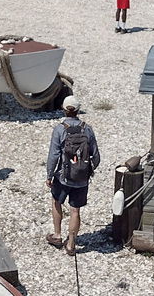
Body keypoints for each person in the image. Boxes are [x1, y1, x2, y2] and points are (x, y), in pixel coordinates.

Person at [45, 96, 100, 256]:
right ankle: (71, 245)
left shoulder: (60, 129)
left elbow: (53, 156)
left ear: (64, 109)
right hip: (81, 179)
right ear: (77, 110)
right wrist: (86, 171)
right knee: (75, 211)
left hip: (63, 176)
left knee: (56, 201)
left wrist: (49, 175)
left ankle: (57, 235)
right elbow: (96, 157)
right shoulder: (87, 129)